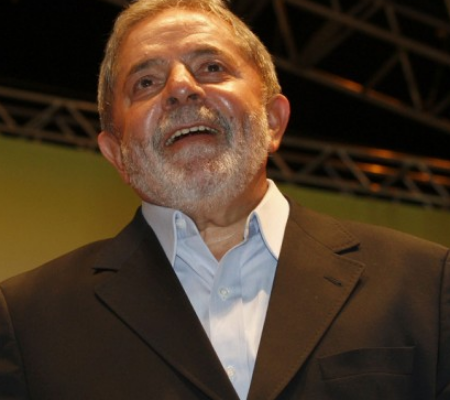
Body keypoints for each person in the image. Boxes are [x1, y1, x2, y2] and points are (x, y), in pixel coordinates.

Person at [0, 0, 449, 398]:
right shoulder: (27, 320)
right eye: (146, 82)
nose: (181, 88)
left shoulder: (427, 284)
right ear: (117, 154)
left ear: (273, 121)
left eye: (212, 67)